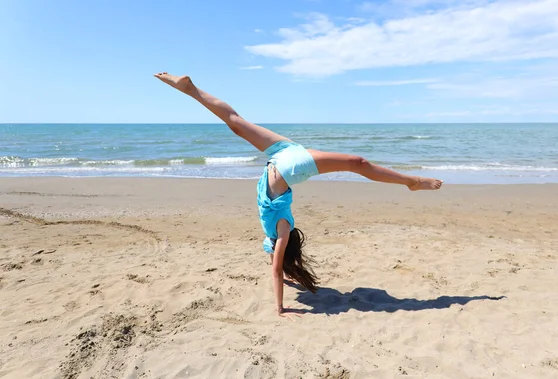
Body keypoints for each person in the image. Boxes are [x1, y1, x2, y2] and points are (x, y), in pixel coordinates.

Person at [154, 72, 444, 319]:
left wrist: (280, 306)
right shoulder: (276, 229)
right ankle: (190, 89)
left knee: (357, 163)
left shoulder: (279, 231)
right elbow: (277, 266)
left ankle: (412, 182)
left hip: (286, 161)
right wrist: (284, 293)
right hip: (284, 157)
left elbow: (277, 267)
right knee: (236, 122)